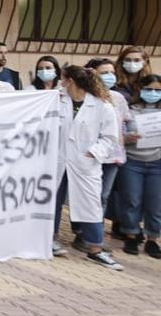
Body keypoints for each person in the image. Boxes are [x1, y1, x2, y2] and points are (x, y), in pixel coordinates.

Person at [55, 65, 122, 270]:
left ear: (70, 81)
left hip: (85, 162)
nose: (60, 82)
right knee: (52, 200)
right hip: (57, 160)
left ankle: (95, 249)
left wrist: (95, 151)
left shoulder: (102, 106)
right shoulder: (55, 100)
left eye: (62, 79)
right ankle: (49, 240)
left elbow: (110, 137)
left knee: (91, 204)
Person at [88, 58, 130, 234]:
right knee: (89, 196)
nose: (109, 76)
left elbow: (125, 124)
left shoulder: (118, 97)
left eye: (112, 72)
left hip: (113, 155)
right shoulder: (84, 96)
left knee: (103, 196)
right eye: (104, 72)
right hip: (89, 154)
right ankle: (82, 231)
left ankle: (96, 233)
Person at [121, 74, 161, 258]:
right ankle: (131, 234)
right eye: (149, 89)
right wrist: (127, 138)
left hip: (157, 163)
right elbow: (118, 134)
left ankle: (153, 239)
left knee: (155, 204)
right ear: (140, 90)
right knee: (132, 200)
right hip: (133, 161)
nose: (153, 93)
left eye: (157, 90)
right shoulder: (130, 110)